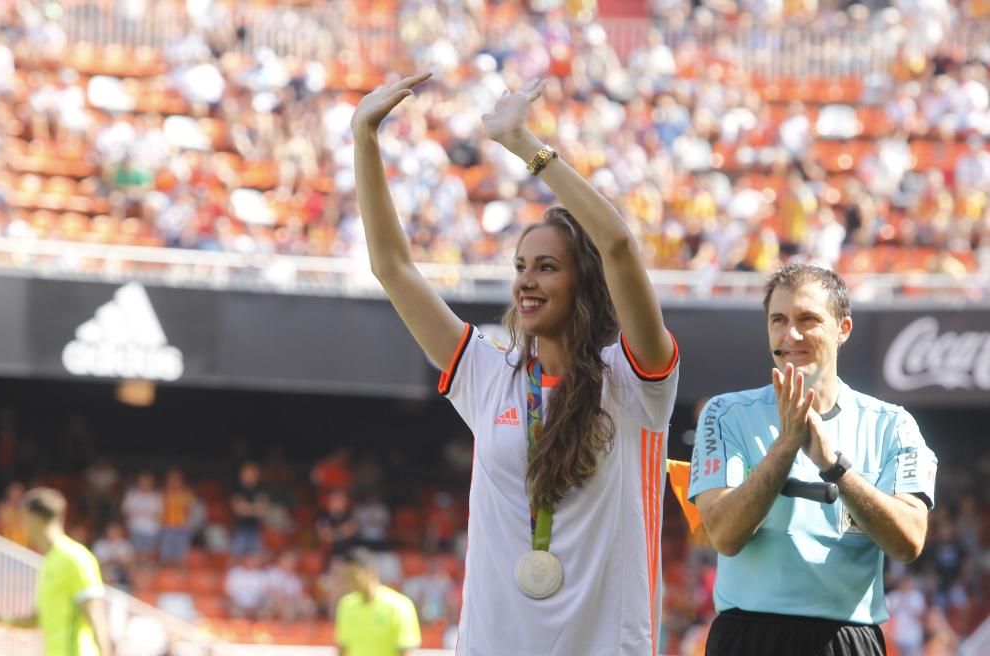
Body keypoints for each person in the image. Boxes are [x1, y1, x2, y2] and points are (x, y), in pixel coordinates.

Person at [352, 73, 678, 655]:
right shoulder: (489, 374)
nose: (526, 280)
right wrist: (364, 137)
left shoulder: (633, 380)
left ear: (586, 279)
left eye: (547, 266)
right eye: (521, 265)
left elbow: (620, 247)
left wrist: (525, 145)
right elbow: (393, 269)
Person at [688, 264, 938, 656]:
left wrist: (833, 465)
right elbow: (723, 534)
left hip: (846, 638)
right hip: (746, 636)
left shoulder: (894, 425)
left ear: (844, 329)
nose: (791, 334)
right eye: (778, 320)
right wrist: (785, 448)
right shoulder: (725, 414)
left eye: (808, 319)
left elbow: (909, 541)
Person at [0, 487, 113, 656]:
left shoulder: (75, 558)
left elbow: (96, 617)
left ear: (35, 519)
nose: (23, 525)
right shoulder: (49, 562)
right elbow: (36, 619)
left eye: (24, 518)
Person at [334, 549, 421, 656]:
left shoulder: (400, 606)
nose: (349, 581)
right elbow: (343, 649)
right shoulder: (346, 605)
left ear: (370, 571)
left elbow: (406, 651)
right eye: (346, 576)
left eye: (353, 575)